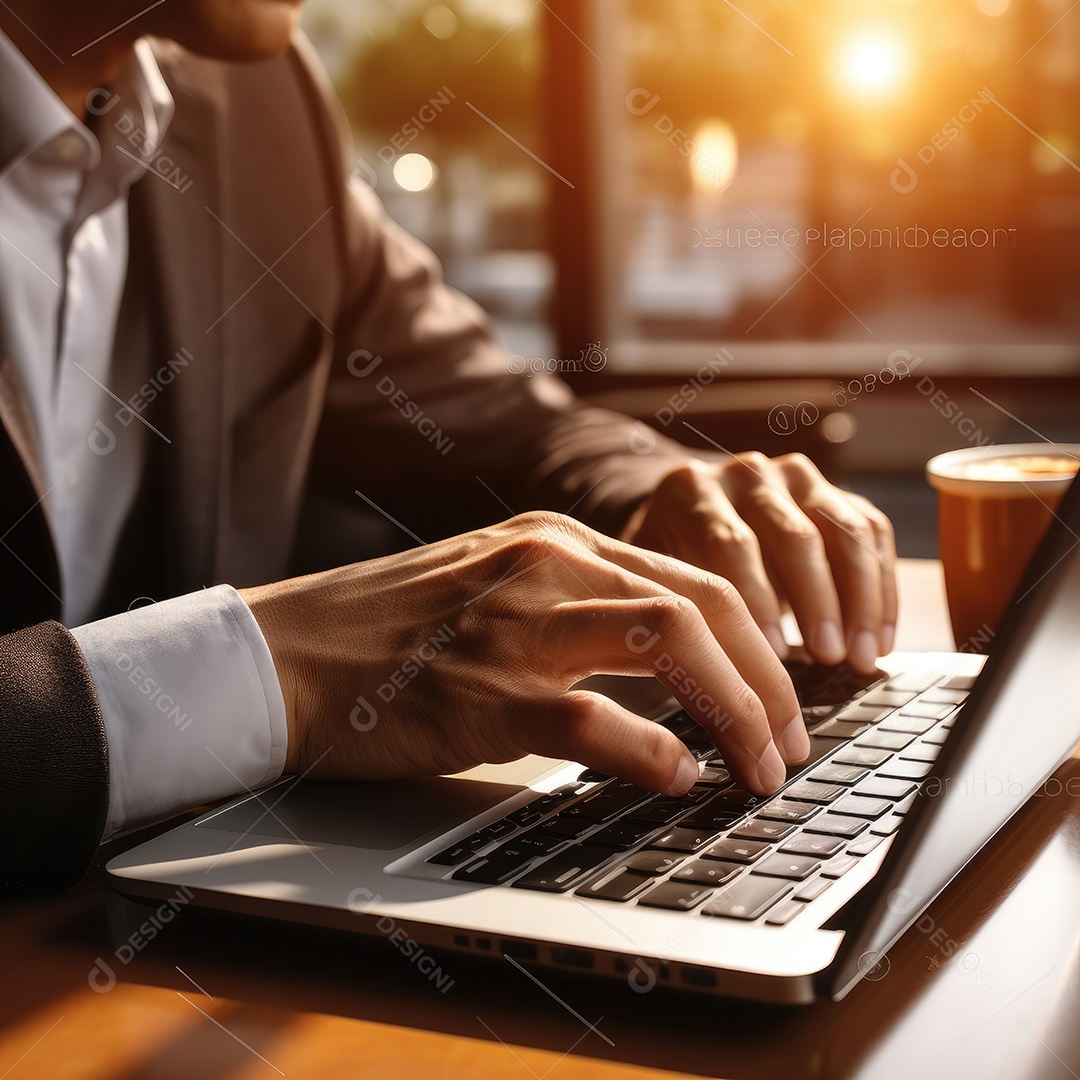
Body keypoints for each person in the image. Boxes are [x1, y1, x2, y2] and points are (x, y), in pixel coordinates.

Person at [0, 0, 896, 893]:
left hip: (168, 917)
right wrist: (266, 674)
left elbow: (479, 408)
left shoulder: (255, 99)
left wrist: (652, 494)